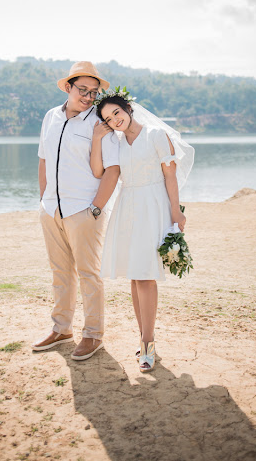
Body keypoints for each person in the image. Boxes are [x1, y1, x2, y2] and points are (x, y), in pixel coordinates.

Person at [90, 89, 194, 372]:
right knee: (135, 276)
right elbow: (100, 171)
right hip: (127, 206)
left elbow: (170, 175)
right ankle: (145, 338)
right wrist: (98, 138)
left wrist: (175, 211)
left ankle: (148, 344)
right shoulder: (116, 141)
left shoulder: (156, 135)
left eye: (117, 113)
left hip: (153, 205)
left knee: (146, 275)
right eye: (108, 119)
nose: (114, 120)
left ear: (128, 109)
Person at [32, 62, 120, 361]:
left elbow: (112, 169)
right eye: (82, 89)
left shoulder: (100, 122)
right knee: (60, 272)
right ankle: (62, 329)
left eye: (93, 92)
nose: (88, 96)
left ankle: (93, 334)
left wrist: (96, 207)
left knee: (88, 273)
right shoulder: (50, 117)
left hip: (84, 209)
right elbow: (43, 159)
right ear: (68, 87)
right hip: (51, 208)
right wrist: (44, 200)